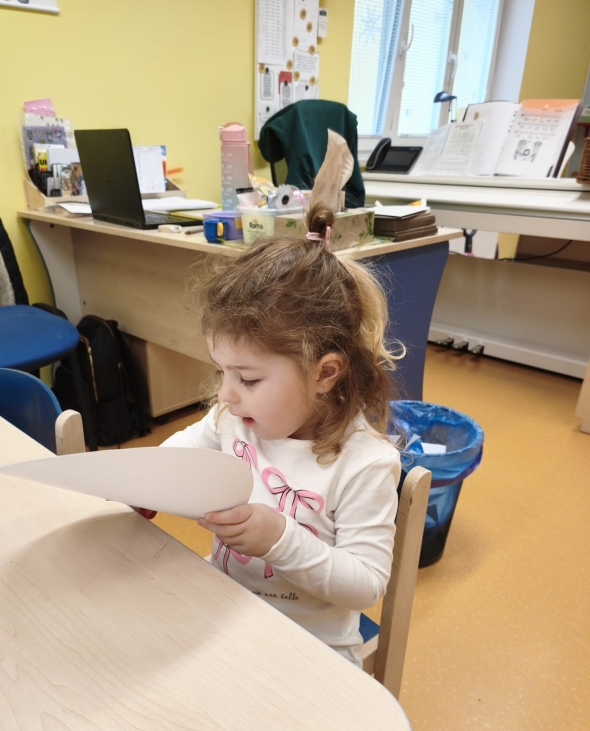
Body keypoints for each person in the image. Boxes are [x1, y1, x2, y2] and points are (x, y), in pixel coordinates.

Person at [137, 202, 402, 670]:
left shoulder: (365, 463)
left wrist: (279, 538)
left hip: (312, 650)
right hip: (224, 616)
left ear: (324, 374)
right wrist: (143, 481)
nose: (226, 394)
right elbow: (180, 454)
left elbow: (366, 584)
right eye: (221, 372)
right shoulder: (234, 418)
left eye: (248, 378)